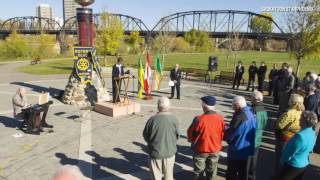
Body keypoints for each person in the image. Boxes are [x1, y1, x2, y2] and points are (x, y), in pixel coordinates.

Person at [187, 96, 225, 180]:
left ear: (204, 106)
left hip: (201, 149)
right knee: (212, 171)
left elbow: (190, 133)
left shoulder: (199, 119)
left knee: (199, 172)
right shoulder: (220, 118)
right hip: (215, 149)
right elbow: (222, 133)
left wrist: (191, 141)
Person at [143, 97, 179, 180]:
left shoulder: (151, 120)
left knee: (156, 177)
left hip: (155, 153)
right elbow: (177, 136)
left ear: (158, 107)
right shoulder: (174, 119)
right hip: (169, 153)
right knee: (169, 177)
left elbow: (145, 136)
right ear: (169, 107)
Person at [276, 111, 317, 180]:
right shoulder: (313, 133)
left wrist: (282, 161)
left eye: (301, 118)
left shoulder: (300, 136)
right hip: (304, 165)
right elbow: (310, 149)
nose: (299, 120)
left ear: (305, 121)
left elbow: (289, 152)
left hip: (293, 165)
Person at [225, 96, 256, 180]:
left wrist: (225, 130)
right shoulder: (250, 112)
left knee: (231, 174)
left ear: (237, 105)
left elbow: (232, 135)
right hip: (247, 149)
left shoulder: (240, 117)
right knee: (243, 173)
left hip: (237, 150)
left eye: (233, 105)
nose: (232, 107)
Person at [274, 94, 304, 170]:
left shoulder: (289, 113)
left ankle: (278, 173)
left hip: (284, 137)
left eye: (290, 99)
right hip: (294, 136)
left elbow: (279, 125)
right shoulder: (300, 111)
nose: (288, 100)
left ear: (293, 102)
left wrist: (276, 122)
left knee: (280, 156)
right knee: (288, 156)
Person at [248, 91, 268, 180]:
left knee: (248, 160)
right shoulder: (263, 109)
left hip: (250, 138)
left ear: (255, 99)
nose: (250, 99)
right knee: (254, 158)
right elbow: (264, 124)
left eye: (251, 98)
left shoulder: (252, 110)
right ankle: (252, 176)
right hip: (258, 137)